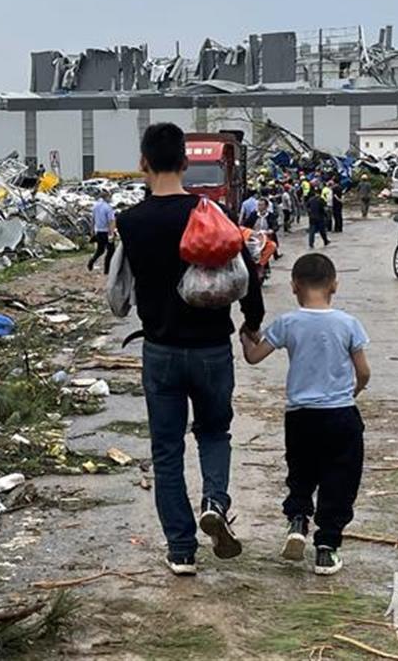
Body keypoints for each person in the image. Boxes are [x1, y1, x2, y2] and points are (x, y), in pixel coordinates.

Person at [116, 123, 266, 576]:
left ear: (143, 163)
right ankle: (215, 502)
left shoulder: (130, 221)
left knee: (166, 451)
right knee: (214, 434)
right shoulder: (212, 211)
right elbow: (247, 275)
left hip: (160, 350)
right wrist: (251, 325)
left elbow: (120, 293)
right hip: (211, 349)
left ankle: (181, 549)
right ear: (185, 163)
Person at [241, 252, 370, 576]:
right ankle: (326, 549)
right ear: (334, 285)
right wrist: (353, 392)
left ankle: (298, 521)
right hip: (341, 416)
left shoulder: (287, 323)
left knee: (301, 474)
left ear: (294, 286)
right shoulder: (348, 323)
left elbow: (255, 357)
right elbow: (364, 372)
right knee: (339, 480)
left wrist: (246, 338)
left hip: (300, 417)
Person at [87, 193, 116, 274]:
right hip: (107, 231)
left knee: (100, 250)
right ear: (105, 197)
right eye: (109, 197)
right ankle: (107, 269)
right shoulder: (108, 207)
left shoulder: (95, 207)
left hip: (99, 231)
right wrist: (111, 234)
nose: (110, 199)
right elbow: (111, 221)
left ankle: (91, 261)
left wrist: (92, 231)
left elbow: (92, 220)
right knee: (111, 251)